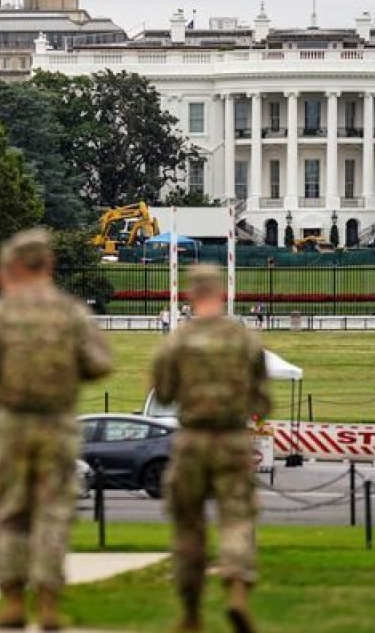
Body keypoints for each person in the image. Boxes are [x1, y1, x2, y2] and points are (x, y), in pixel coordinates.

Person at [0, 228, 113, 631]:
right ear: (48, 264)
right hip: (57, 424)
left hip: (11, 425)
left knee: (11, 513)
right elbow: (100, 364)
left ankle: (11, 600)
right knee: (52, 514)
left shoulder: (1, 314)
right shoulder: (70, 312)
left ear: (14, 267)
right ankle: (47, 603)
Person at [152, 265, 271, 633]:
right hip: (232, 437)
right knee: (236, 517)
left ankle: (190, 612)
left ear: (190, 294)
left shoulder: (178, 341)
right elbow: (263, 399)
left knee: (189, 526)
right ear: (220, 293)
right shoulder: (243, 339)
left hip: (192, 438)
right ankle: (236, 588)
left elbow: (165, 392)